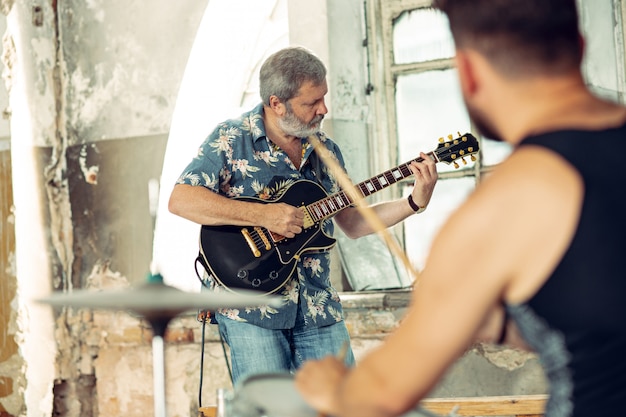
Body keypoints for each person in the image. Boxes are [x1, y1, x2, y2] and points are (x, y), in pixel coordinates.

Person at [294, 0, 626, 416]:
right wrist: (512, 326)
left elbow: (382, 393)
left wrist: (331, 389)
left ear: (467, 72)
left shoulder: (508, 201)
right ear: (580, 47)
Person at [168, 46, 438, 385]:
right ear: (277, 103)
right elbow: (181, 200)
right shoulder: (230, 139)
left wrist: (413, 202)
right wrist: (264, 216)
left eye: (323, 98)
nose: (324, 109)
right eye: (312, 102)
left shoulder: (326, 151)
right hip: (251, 310)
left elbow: (352, 223)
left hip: (318, 307)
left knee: (345, 407)